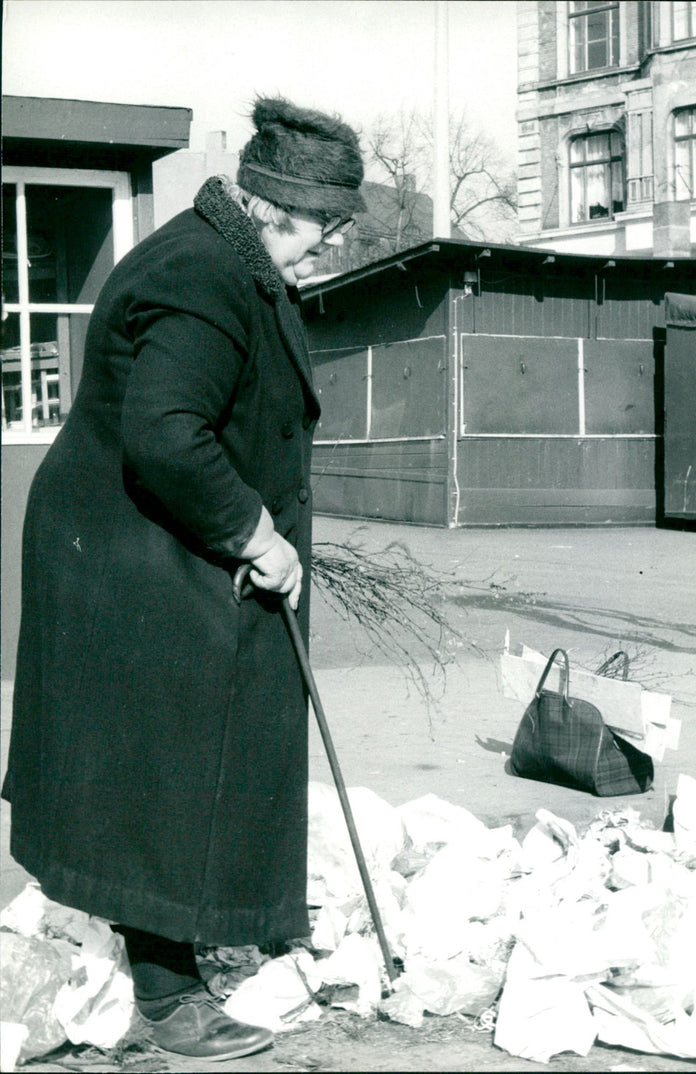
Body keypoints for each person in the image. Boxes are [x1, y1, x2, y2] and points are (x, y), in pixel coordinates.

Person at [2, 96, 365, 1061]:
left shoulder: (228, 260)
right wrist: (256, 533)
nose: (322, 252)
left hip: (145, 542)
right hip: (131, 554)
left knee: (181, 758)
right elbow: (166, 432)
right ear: (272, 210)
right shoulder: (203, 276)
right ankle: (166, 1005)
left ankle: (198, 942)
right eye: (322, 231)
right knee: (163, 764)